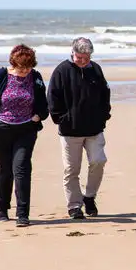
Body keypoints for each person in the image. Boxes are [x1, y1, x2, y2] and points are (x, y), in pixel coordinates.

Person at [0, 44, 48, 227]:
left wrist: (39, 115)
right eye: (21, 68)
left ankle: (23, 214)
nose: (24, 72)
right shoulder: (1, 75)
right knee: (5, 169)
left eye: (28, 68)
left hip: (26, 129)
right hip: (2, 129)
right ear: (13, 64)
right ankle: (2, 210)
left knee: (22, 168)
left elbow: (43, 102)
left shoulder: (36, 77)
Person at [47, 37, 111, 219]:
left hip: (94, 129)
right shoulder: (61, 71)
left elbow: (105, 93)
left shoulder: (96, 69)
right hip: (70, 131)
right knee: (71, 169)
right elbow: (52, 97)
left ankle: (89, 197)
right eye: (79, 57)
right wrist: (61, 119)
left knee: (98, 161)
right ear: (72, 53)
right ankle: (74, 206)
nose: (83, 60)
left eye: (86, 57)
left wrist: (104, 115)